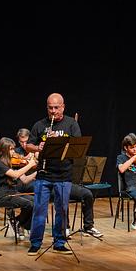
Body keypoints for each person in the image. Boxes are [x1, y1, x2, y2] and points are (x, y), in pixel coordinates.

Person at [24, 93, 80, 255]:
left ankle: (59, 242)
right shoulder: (40, 125)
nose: (53, 111)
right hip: (44, 173)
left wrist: (60, 141)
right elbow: (28, 146)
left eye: (56, 107)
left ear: (63, 107)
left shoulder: (71, 124)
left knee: (62, 210)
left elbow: (77, 146)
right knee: (39, 210)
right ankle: (35, 243)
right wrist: (39, 147)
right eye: (50, 108)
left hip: (63, 174)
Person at [0, 137, 36, 238]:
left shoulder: (11, 163)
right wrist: (30, 165)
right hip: (3, 195)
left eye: (13, 149)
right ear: (4, 150)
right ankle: (19, 223)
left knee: (36, 201)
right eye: (11, 149)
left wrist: (37, 172)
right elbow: (15, 175)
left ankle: (18, 222)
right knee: (29, 204)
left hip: (13, 192)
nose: (13, 151)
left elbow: (25, 180)